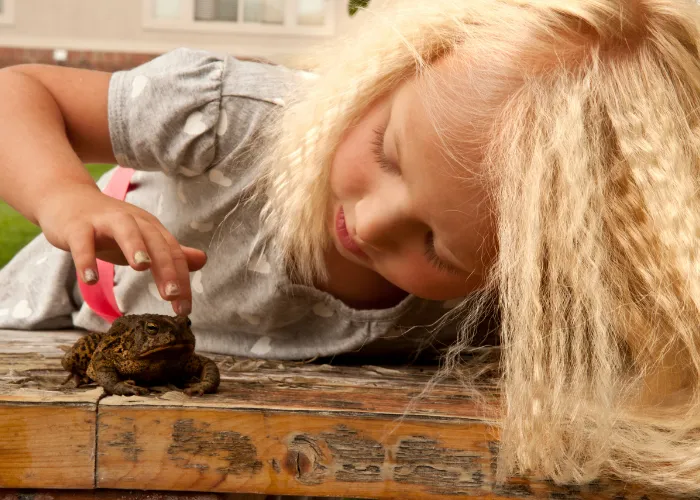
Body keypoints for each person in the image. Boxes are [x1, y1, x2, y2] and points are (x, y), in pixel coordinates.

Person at [1, 0, 700, 493]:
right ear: (391, 69)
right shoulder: (241, 122)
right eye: (388, 155)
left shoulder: (505, 306)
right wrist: (66, 196)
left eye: (438, 246)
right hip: (61, 306)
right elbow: (21, 92)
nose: (370, 224)